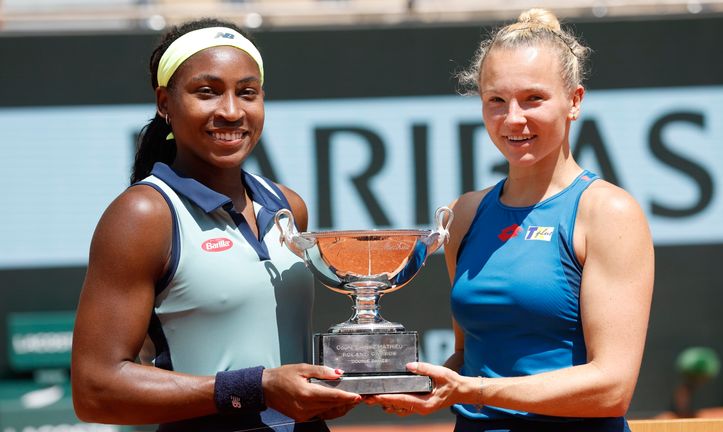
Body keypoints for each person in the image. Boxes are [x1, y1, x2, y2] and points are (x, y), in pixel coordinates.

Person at [367, 8, 654, 432]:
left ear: (574, 101)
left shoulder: (607, 212)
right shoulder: (465, 213)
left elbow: (611, 388)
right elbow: (469, 356)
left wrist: (475, 390)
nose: (513, 119)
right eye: (496, 101)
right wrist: (425, 387)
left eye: (533, 98)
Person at [70, 18, 361, 432]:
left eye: (247, 93)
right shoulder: (144, 215)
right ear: (164, 103)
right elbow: (95, 389)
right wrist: (256, 387)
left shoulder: (287, 206)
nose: (230, 111)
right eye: (206, 92)